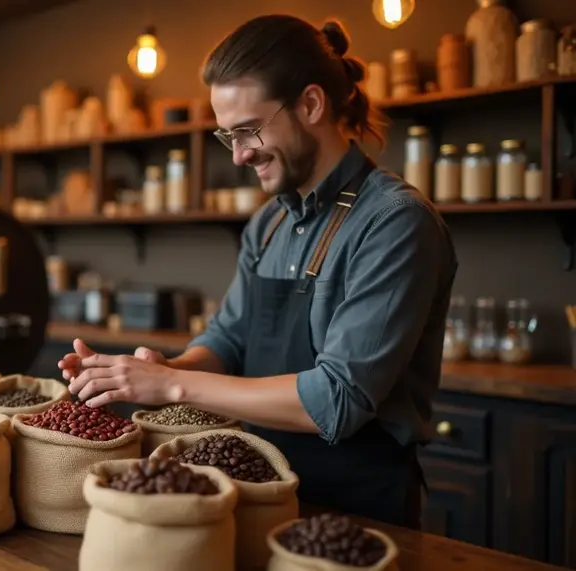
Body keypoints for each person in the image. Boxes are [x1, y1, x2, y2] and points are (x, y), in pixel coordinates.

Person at [59, 15, 458, 529]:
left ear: (311, 104)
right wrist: (158, 371)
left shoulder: (394, 222)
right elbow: (228, 342)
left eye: (249, 130)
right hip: (257, 488)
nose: (241, 154)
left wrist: (172, 387)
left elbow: (337, 400)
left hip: (357, 509)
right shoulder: (269, 223)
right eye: (229, 136)